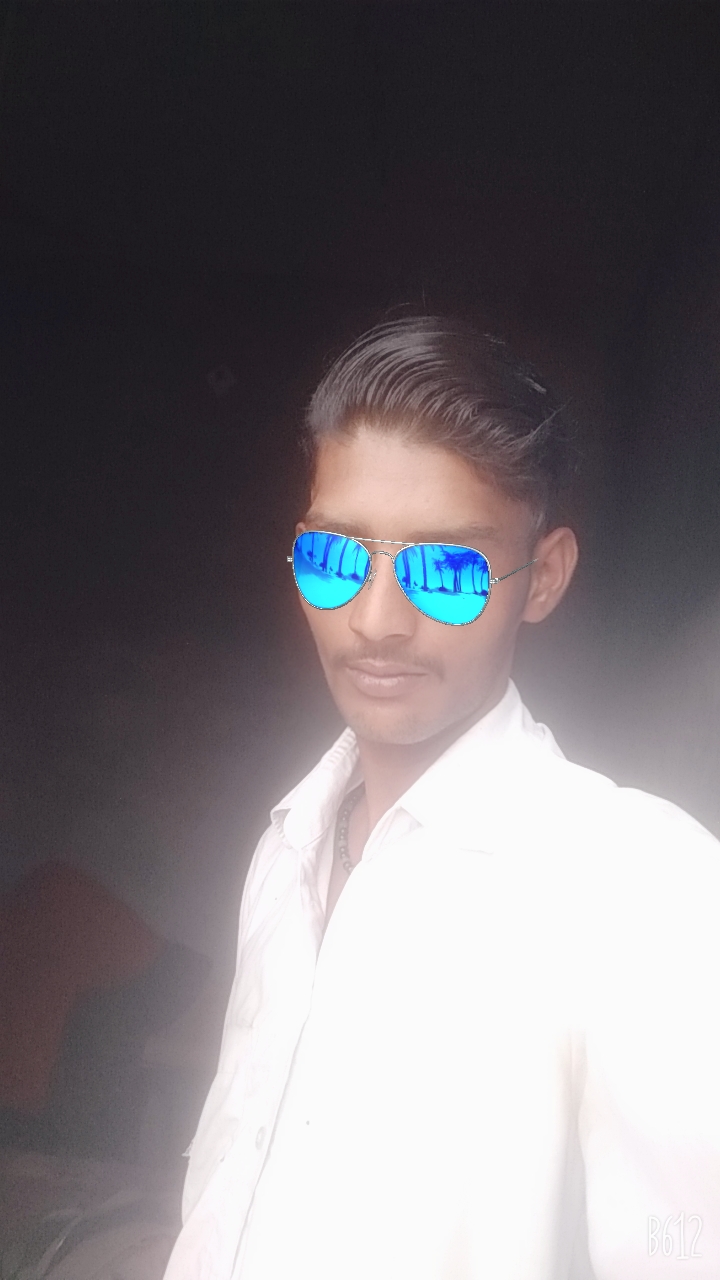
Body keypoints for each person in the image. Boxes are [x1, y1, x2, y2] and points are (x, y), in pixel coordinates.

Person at [163, 317, 720, 1280]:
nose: (377, 620)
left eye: (449, 571)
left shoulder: (633, 887)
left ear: (543, 578)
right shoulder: (288, 851)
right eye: (336, 558)